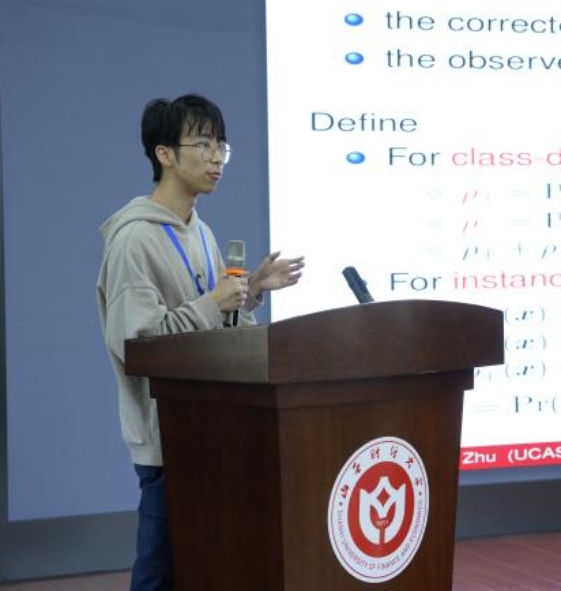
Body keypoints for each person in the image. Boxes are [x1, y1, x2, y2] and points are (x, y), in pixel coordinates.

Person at [96, 93, 304, 591]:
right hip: (169, 440)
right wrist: (213, 302)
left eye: (221, 147)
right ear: (164, 154)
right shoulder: (134, 240)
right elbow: (138, 346)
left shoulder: (202, 233)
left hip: (214, 429)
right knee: (161, 575)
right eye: (203, 145)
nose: (217, 158)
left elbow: (210, 335)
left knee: (206, 569)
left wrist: (250, 291)